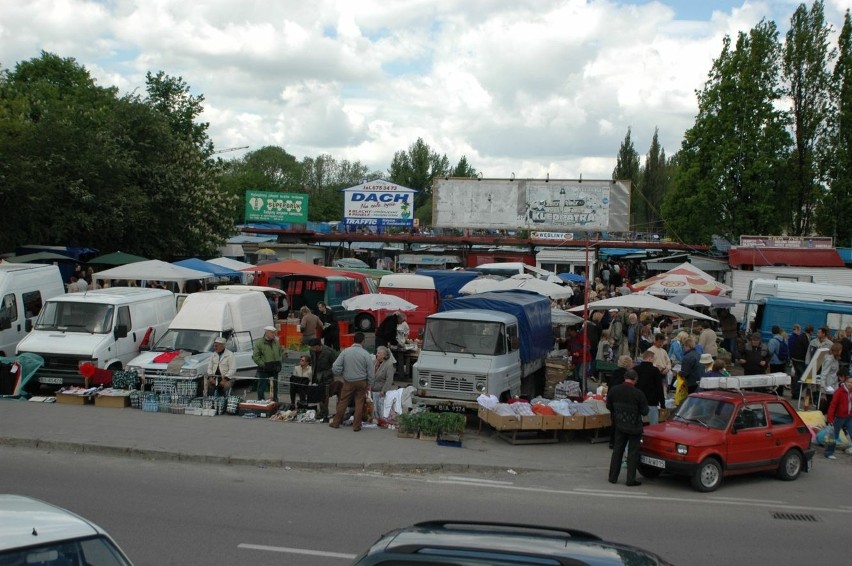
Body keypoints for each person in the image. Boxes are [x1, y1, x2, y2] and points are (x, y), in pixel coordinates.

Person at [606, 369, 649, 487]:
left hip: (619, 425)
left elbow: (609, 405)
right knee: (633, 453)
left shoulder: (614, 390)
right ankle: (630, 479)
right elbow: (645, 411)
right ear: (635, 380)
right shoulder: (638, 393)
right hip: (634, 427)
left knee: (617, 451)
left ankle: (613, 477)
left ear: (625, 377)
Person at [330, 332, 375, 431]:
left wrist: (340, 372)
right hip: (361, 382)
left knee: (343, 402)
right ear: (363, 341)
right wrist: (370, 383)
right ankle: (356, 425)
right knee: (359, 403)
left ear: (353, 340)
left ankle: (336, 422)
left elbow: (335, 367)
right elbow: (371, 371)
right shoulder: (366, 354)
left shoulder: (346, 352)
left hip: (348, 381)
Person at [824, 374, 852, 459]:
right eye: (849, 382)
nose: (850, 384)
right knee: (833, 436)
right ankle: (828, 453)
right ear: (845, 382)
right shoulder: (839, 392)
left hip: (849, 417)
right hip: (838, 417)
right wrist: (830, 419)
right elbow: (833, 405)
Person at [309, 338, 338, 420]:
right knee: (319, 395)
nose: (313, 349)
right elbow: (313, 362)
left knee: (324, 396)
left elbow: (335, 366)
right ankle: (322, 412)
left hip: (326, 377)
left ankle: (324, 413)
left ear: (319, 345)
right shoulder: (312, 351)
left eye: (315, 347)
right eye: (312, 348)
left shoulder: (329, 352)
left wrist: (326, 374)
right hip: (316, 376)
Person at [252, 325, 283, 402]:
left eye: (274, 332)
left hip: (275, 367)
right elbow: (255, 357)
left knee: (275, 386)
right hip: (264, 368)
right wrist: (264, 365)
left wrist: (279, 363)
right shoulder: (259, 343)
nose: (274, 334)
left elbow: (279, 353)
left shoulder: (276, 342)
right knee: (262, 386)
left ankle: (275, 401)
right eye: (272, 333)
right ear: (267, 333)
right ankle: (261, 401)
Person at [634, 350, 664, 425]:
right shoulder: (655, 371)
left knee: (637, 423)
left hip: (638, 400)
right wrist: (662, 403)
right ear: (650, 358)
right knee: (654, 425)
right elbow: (659, 388)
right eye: (654, 358)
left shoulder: (635, 369)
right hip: (652, 401)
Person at [371, 346, 396, 421]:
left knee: (381, 411)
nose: (376, 354)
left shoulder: (388, 364)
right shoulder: (374, 362)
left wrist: (384, 390)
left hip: (381, 391)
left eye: (379, 353)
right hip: (372, 390)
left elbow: (389, 379)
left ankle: (383, 420)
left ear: (384, 355)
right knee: (374, 410)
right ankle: (376, 419)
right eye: (377, 353)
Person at [789, 324, 809, 399]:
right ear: (797, 329)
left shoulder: (794, 337)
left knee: (797, 376)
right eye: (799, 330)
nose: (800, 331)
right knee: (802, 377)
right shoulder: (798, 337)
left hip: (795, 359)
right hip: (799, 359)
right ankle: (796, 393)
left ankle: (795, 392)